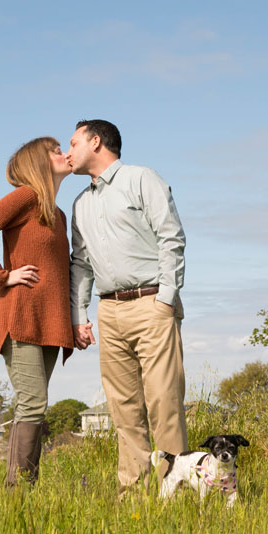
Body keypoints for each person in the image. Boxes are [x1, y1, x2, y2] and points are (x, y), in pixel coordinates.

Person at [65, 119, 188, 495]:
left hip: (152, 303)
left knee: (163, 403)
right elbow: (81, 263)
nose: (66, 153)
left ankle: (174, 493)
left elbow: (171, 236)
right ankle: (132, 495)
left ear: (96, 142)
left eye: (73, 143)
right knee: (123, 409)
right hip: (110, 311)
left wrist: (166, 298)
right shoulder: (80, 203)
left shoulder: (141, 179)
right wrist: (79, 316)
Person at [0, 136, 74, 486]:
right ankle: (18, 492)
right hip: (23, 318)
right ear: (38, 162)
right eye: (55, 151)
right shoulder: (27, 196)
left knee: (35, 407)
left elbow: (62, 273)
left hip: (50, 324)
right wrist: (2, 276)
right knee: (33, 404)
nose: (64, 154)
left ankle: (24, 488)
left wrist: (76, 322)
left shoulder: (56, 213)